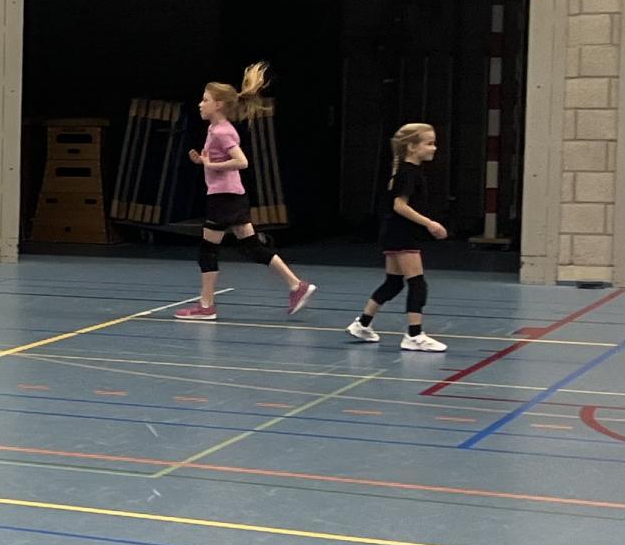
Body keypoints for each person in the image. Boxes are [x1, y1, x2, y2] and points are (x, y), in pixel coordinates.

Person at [176, 64, 317, 322]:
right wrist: (203, 161)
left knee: (208, 251)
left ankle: (206, 306)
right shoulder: (215, 129)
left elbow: (242, 162)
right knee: (252, 247)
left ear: (218, 105)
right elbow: (220, 160)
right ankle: (297, 285)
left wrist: (212, 165)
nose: (200, 104)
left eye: (205, 100)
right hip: (232, 196)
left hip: (224, 198)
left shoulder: (222, 131)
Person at [348, 123, 451, 354]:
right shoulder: (408, 173)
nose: (434, 148)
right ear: (412, 147)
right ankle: (414, 335)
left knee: (393, 283)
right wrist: (430, 224)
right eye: (429, 143)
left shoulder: (405, 171)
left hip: (393, 233)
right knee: (417, 284)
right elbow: (399, 206)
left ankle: (362, 324)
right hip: (401, 234)